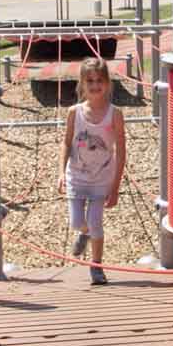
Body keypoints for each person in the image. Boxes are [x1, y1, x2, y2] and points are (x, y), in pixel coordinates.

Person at [57, 57, 126, 285]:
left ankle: (97, 266)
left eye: (99, 80)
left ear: (107, 83)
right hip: (77, 175)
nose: (95, 85)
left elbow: (121, 151)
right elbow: (66, 142)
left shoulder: (114, 114)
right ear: (82, 84)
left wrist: (115, 187)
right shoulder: (74, 112)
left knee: (96, 221)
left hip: (101, 178)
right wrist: (60, 172)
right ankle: (83, 233)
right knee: (77, 222)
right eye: (90, 81)